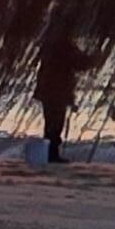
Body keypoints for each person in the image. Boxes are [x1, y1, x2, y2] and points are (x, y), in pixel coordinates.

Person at [36, 21, 87, 164]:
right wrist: (97, 59)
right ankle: (52, 155)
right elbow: (79, 62)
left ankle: (49, 154)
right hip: (56, 92)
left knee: (51, 123)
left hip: (48, 91)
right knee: (55, 124)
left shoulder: (49, 45)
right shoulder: (64, 46)